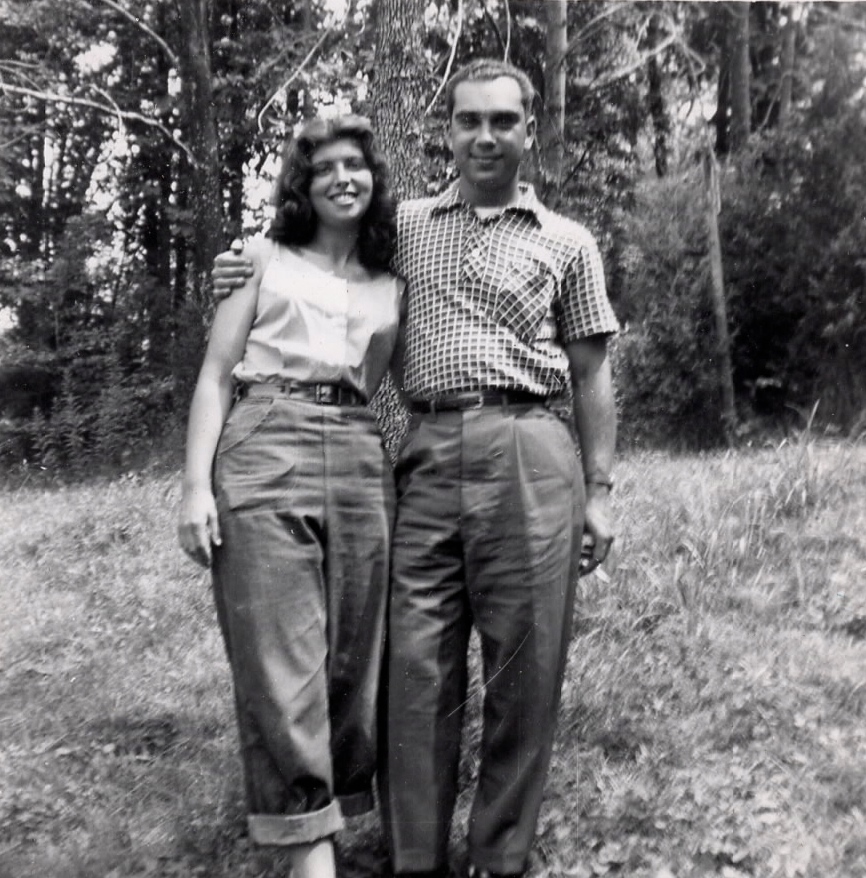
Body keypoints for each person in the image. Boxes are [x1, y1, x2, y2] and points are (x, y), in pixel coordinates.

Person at [212, 59, 619, 878]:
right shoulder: (404, 228)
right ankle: (415, 860)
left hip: (531, 445)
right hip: (424, 452)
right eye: (469, 120)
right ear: (449, 132)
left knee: (526, 667)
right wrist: (242, 263)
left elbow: (591, 373)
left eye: (502, 121)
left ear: (529, 131)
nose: (484, 136)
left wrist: (600, 491)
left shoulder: (568, 242)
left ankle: (500, 855)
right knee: (412, 670)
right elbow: (321, 247)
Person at [178, 115, 404, 878]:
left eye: (355, 166)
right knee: (281, 654)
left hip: (359, 447)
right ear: (302, 187)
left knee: (353, 656)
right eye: (324, 169)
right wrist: (195, 488)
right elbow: (215, 375)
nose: (343, 178)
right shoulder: (258, 258)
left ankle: (335, 813)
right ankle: (312, 853)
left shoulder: (391, 280)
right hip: (266, 436)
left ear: (373, 179)